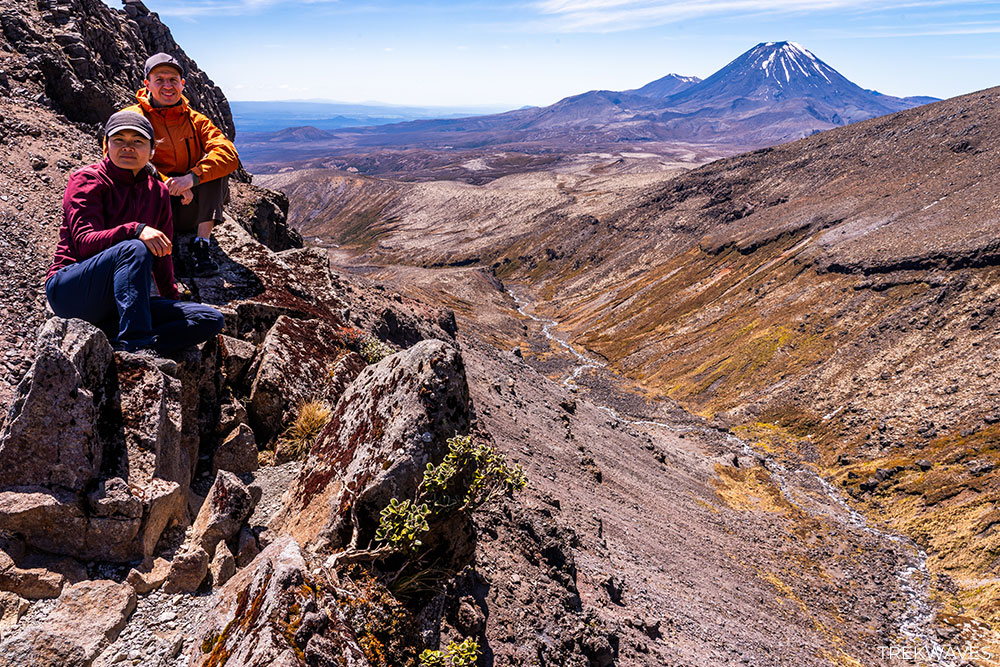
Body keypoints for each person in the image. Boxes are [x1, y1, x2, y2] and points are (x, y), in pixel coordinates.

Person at [46, 110, 225, 354]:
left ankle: (117, 341)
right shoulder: (87, 180)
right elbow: (84, 243)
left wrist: (172, 304)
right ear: (106, 145)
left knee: (208, 319)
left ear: (152, 150)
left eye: (138, 141)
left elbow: (163, 256)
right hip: (71, 293)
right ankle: (136, 348)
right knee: (134, 248)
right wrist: (135, 229)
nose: (127, 147)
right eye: (119, 140)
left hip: (118, 305)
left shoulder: (158, 192)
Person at [121, 52, 240, 277]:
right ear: (147, 84)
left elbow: (228, 153)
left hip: (189, 205)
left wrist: (191, 179)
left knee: (215, 167)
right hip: (150, 204)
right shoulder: (132, 119)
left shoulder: (196, 120)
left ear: (182, 84)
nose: (167, 85)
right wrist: (168, 184)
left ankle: (202, 244)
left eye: (173, 80)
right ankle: (155, 248)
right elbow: (120, 161)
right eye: (160, 80)